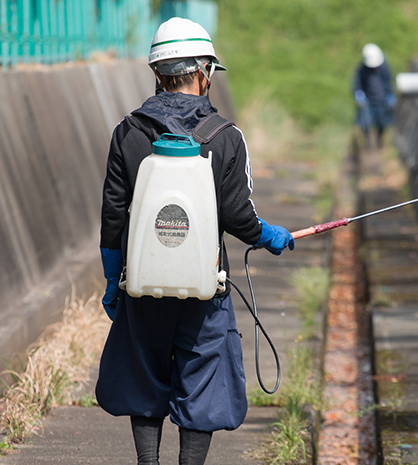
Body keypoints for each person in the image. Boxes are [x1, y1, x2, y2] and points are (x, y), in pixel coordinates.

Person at [96, 17, 294, 465]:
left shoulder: (127, 132)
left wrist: (113, 279)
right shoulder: (226, 138)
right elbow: (239, 215)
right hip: (206, 289)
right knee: (203, 378)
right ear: (204, 71)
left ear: (158, 72)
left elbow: (112, 215)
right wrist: (269, 235)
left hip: (140, 286)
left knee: (144, 375)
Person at [352, 43, 397, 149]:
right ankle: (368, 143)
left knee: (382, 123)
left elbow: (388, 83)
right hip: (368, 102)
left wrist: (390, 96)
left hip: (382, 101)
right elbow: (357, 84)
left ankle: (379, 140)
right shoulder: (362, 70)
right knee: (365, 123)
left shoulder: (384, 69)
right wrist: (359, 95)